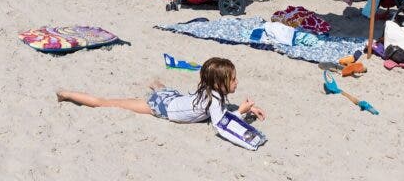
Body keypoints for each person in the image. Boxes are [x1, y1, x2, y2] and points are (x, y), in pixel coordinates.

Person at [56, 57, 265, 139]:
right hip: (162, 108)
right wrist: (241, 111)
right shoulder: (214, 99)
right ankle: (65, 94)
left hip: (174, 98)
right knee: (107, 103)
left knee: (162, 90)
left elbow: (219, 112)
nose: (237, 82)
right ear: (219, 84)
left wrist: (247, 110)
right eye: (233, 79)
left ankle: (155, 84)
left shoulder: (211, 92)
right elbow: (220, 124)